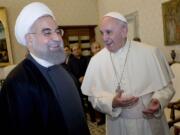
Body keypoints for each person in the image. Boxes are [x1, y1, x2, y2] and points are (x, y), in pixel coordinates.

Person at [0, 2, 90, 135]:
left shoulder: (64, 69)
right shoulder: (17, 82)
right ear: (29, 39)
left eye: (57, 31)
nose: (57, 38)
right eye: (47, 32)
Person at [81, 11, 175, 135]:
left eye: (108, 32)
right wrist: (111, 102)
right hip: (118, 126)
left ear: (124, 31)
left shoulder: (150, 53)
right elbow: (93, 98)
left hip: (149, 123)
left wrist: (158, 101)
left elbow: (167, 87)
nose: (104, 38)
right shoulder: (96, 61)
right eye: (102, 33)